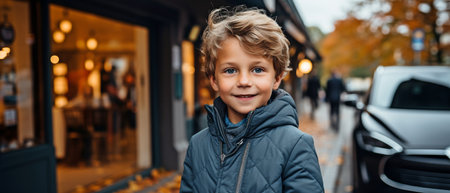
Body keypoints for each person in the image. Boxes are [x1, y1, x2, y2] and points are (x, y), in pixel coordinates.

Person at [180, 7, 324, 193]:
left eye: (257, 69)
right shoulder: (198, 145)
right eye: (230, 70)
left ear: (277, 78)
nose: (244, 82)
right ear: (214, 80)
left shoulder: (294, 145)